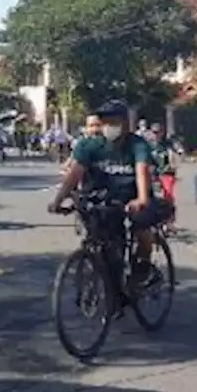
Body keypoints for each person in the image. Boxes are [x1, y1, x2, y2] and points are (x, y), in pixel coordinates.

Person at [47, 99, 164, 279]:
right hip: (103, 199)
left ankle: (143, 270)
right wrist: (57, 201)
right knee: (103, 238)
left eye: (114, 122)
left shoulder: (137, 144)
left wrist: (141, 199)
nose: (109, 126)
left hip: (132, 197)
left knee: (143, 232)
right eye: (106, 122)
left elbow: (142, 171)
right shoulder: (88, 146)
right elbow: (74, 175)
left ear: (125, 123)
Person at [149, 121, 179, 231]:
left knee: (168, 195)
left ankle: (170, 220)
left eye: (158, 132)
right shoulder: (147, 145)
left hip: (166, 172)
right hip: (151, 173)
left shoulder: (167, 145)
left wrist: (172, 165)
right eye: (154, 132)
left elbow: (174, 157)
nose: (156, 135)